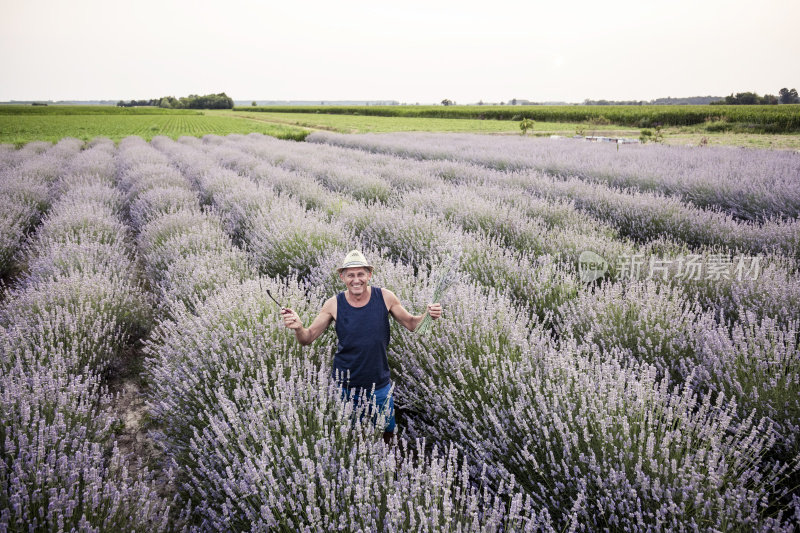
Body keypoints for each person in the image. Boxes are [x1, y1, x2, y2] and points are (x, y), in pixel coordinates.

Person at [281, 250, 442, 445]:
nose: (356, 280)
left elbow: (411, 324)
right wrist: (298, 327)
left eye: (360, 274)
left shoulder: (385, 297)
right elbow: (307, 338)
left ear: (369, 275)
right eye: (350, 275)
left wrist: (428, 315)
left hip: (379, 382)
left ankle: (390, 466)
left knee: (387, 430)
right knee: (348, 434)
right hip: (345, 385)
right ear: (342, 277)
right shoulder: (333, 304)